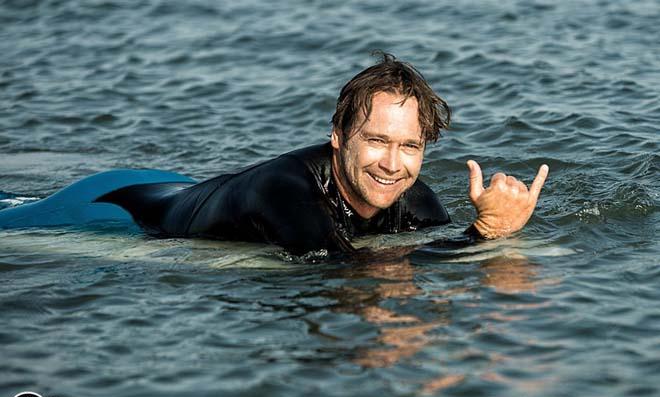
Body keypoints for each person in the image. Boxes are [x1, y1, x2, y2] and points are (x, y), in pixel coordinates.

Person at [0, 53, 548, 256]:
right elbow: (337, 271)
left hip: (189, 185)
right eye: (377, 140)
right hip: (120, 204)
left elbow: (426, 259)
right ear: (338, 136)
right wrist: (483, 237)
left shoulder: (417, 198)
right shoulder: (285, 191)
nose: (392, 163)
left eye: (409, 147)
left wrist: (497, 231)